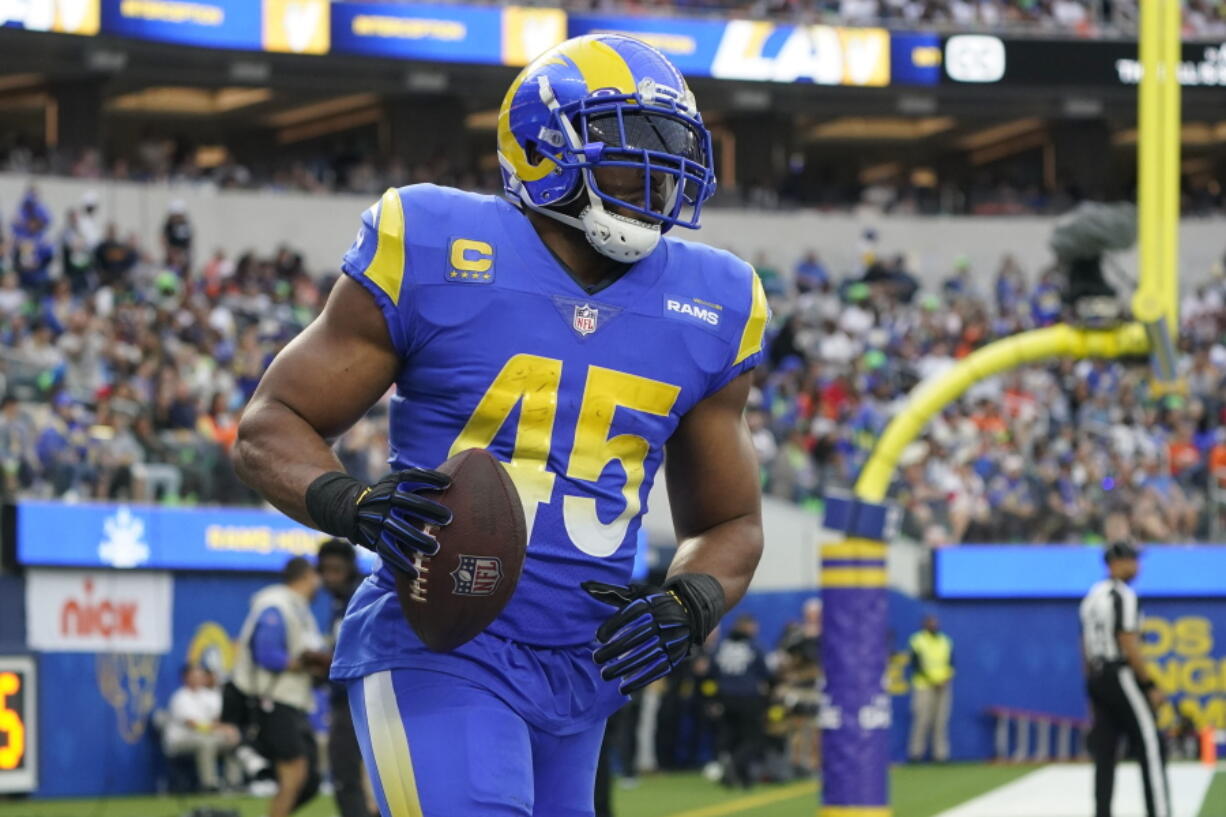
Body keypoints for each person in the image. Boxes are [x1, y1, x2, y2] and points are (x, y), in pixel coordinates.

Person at [233, 33, 766, 817]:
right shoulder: (434, 241)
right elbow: (269, 423)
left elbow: (731, 520)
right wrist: (351, 501)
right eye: (632, 145)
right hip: (437, 642)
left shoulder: (715, 299)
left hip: (585, 668)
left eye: (672, 146)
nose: (661, 174)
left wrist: (691, 600)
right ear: (546, 147)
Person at [230, 556, 329, 817]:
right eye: (316, 577)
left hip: (294, 701)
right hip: (274, 699)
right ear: (308, 576)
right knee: (294, 771)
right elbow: (266, 653)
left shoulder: (300, 609)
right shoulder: (276, 603)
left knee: (309, 781)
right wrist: (301, 663)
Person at [1080, 541, 1170, 817]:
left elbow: (1084, 645)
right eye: (1133, 560)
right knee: (1151, 745)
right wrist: (1148, 684)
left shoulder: (1092, 597)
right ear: (1116, 562)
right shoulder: (1124, 596)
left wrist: (1091, 688)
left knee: (1105, 752)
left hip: (1097, 676)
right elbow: (1127, 641)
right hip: (1120, 674)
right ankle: (1160, 812)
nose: (1138, 566)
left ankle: (1102, 812)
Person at [317, 539, 376, 817]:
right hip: (361, 699)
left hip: (355, 699)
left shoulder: (357, 598)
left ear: (350, 569)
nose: (330, 577)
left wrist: (322, 661)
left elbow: (358, 653)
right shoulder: (341, 601)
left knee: (345, 775)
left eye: (336, 570)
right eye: (325, 571)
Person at [712, 614, 771, 788]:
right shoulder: (753, 646)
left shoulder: (722, 646)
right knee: (753, 739)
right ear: (748, 627)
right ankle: (736, 766)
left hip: (725, 697)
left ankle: (740, 777)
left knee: (732, 738)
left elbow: (712, 670)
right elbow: (765, 671)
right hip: (748, 697)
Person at [163, 664, 241, 792]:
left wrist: (228, 730)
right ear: (186, 678)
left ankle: (234, 783)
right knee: (206, 743)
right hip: (180, 741)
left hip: (208, 736)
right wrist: (217, 729)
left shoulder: (210, 696)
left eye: (200, 676)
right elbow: (192, 724)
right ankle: (210, 785)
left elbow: (217, 720)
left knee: (233, 741)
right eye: (194, 676)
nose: (198, 678)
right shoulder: (180, 697)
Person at [907, 614, 955, 763]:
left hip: (943, 686)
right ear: (924, 625)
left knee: (940, 721)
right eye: (930, 623)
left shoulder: (945, 641)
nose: (934, 625)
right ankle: (916, 754)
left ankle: (940, 755)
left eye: (935, 623)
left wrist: (945, 679)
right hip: (924, 685)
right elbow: (916, 665)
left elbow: (951, 663)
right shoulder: (917, 640)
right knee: (922, 720)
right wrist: (933, 681)